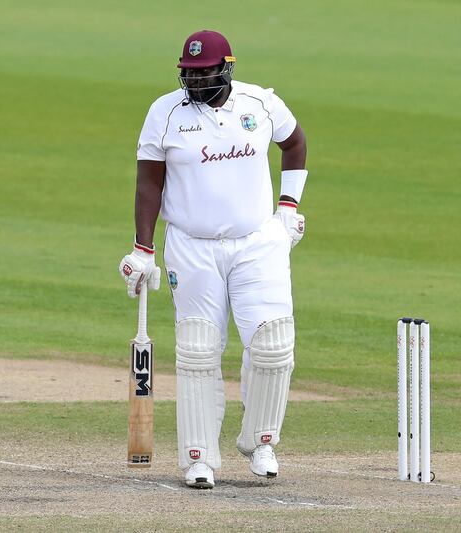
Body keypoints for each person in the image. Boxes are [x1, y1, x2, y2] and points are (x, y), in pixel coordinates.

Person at [119, 30, 307, 489]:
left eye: (205, 73)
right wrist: (143, 247)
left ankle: (260, 441)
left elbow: (296, 143)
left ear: (227, 68)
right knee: (199, 350)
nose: (197, 81)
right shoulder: (164, 112)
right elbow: (149, 184)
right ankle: (199, 457)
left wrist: (288, 207)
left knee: (273, 345)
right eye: (190, 73)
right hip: (192, 245)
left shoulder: (259, 103)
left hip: (258, 241)